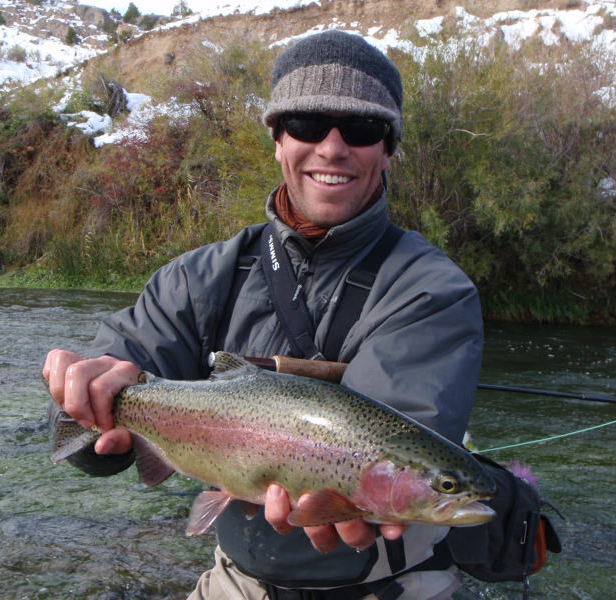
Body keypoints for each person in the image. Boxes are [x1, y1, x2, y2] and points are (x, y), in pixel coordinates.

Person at [43, 30, 484, 600]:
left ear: (387, 148)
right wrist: (85, 402)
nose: (332, 148)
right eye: (306, 123)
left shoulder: (431, 290)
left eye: (360, 129)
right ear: (278, 139)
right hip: (237, 581)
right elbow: (104, 395)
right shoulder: (199, 278)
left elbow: (393, 435)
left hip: (394, 585)